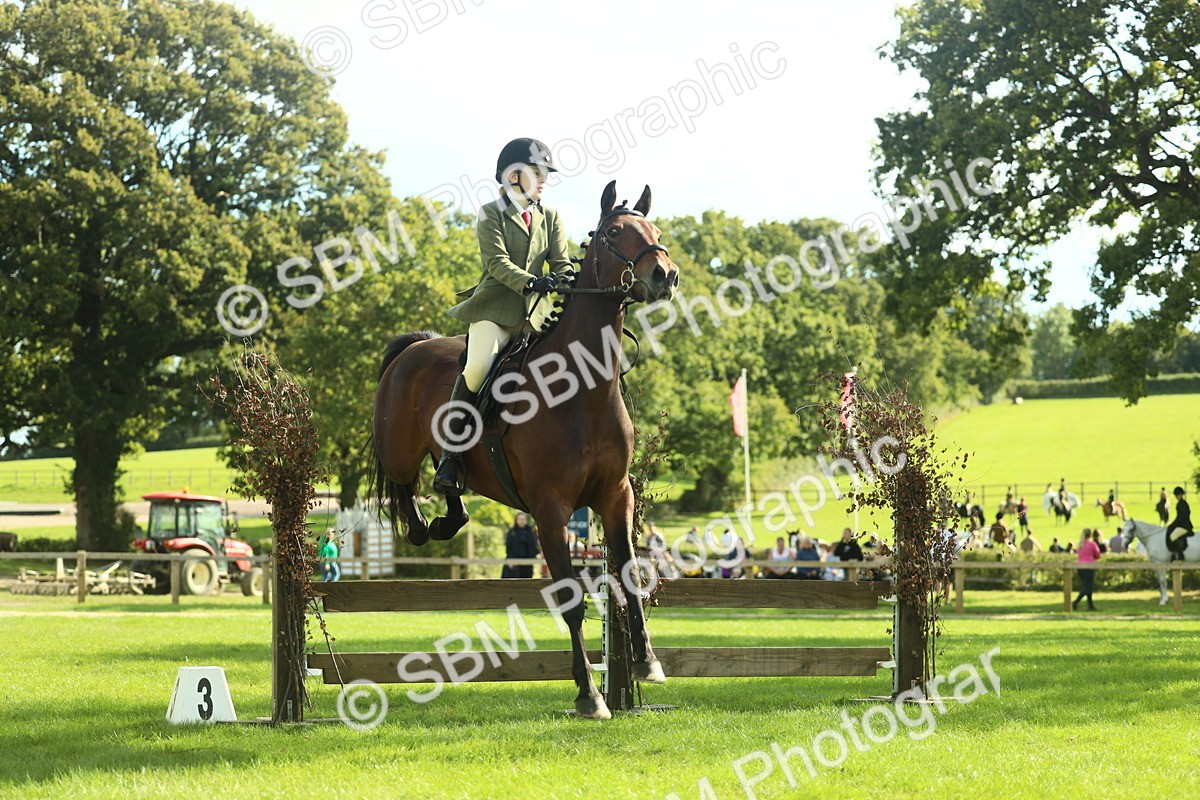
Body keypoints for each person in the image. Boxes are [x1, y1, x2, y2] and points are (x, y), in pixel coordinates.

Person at [433, 138, 574, 496]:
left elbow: (561, 264)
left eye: (545, 174)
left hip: (538, 318)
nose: (543, 181)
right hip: (495, 311)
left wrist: (574, 281)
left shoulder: (551, 217)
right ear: (513, 176)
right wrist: (531, 282)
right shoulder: (490, 213)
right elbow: (496, 263)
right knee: (478, 366)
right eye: (537, 173)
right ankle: (451, 453)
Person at [501, 513, 540, 578]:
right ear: (516, 520)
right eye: (520, 519)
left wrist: (533, 559)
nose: (521, 521)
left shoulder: (530, 532)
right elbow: (509, 547)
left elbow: (533, 546)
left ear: (526, 521)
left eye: (523, 519)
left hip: (527, 563)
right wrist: (510, 560)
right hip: (514, 561)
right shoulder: (512, 532)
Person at [1074, 528, 1101, 610]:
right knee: (1088, 587)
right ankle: (1075, 602)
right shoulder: (1092, 544)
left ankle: (1090, 605)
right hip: (1089, 567)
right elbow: (1097, 555)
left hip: (1080, 567)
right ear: (1090, 535)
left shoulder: (1080, 544)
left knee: (1087, 586)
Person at [1167, 486, 1193, 561]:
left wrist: (1173, 524)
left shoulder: (1182, 504)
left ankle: (1180, 554)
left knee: (1172, 536)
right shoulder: (1181, 503)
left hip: (1185, 526)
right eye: (1176, 495)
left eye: (1178, 495)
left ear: (1181, 495)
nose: (1177, 497)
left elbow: (1181, 517)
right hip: (1182, 525)